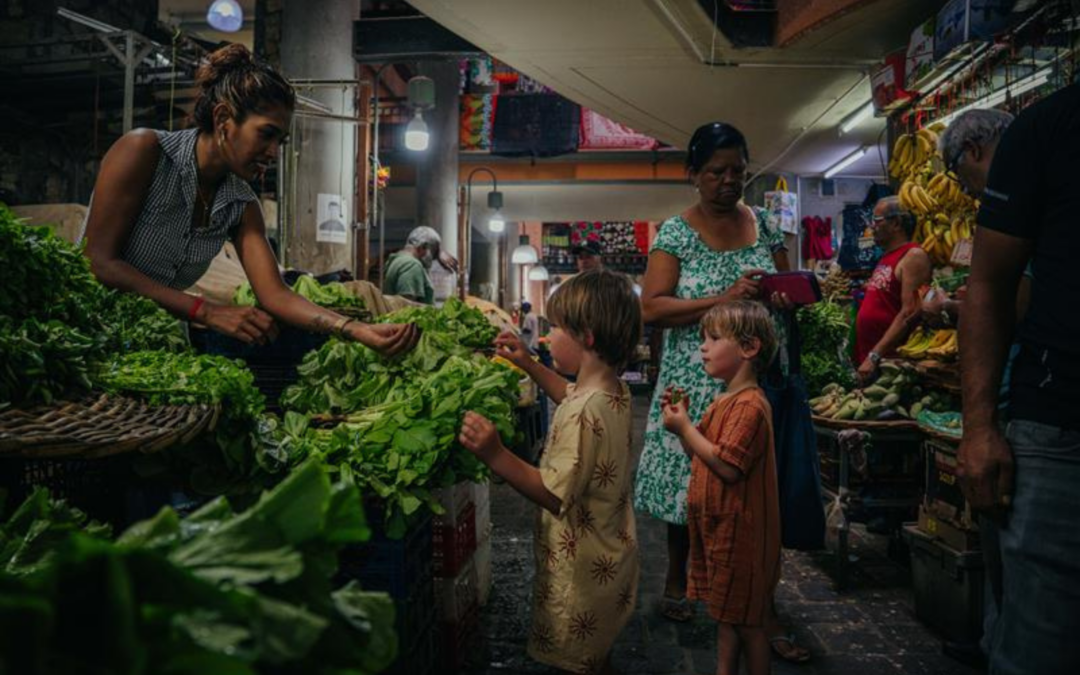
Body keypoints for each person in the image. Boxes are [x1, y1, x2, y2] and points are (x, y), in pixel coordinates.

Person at [81, 44, 417, 356]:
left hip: (152, 342)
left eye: (280, 141)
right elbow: (99, 262)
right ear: (224, 119)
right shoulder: (145, 152)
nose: (273, 152)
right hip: (84, 333)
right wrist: (206, 311)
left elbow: (275, 294)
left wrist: (355, 329)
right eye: (266, 134)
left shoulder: (241, 204)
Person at [635, 121, 805, 663]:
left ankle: (751, 592)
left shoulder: (766, 228)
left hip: (750, 377)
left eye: (737, 170)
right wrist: (721, 298)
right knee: (691, 482)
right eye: (716, 172)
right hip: (692, 369)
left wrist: (780, 301)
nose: (729, 181)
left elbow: (785, 288)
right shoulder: (675, 234)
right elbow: (653, 308)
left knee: (745, 488)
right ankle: (680, 577)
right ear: (693, 176)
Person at [459, 270, 641, 675]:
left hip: (579, 572)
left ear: (587, 336)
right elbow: (568, 393)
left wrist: (496, 453)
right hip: (609, 554)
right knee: (595, 657)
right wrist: (528, 363)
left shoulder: (583, 412)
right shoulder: (611, 390)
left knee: (576, 661)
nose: (546, 337)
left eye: (555, 327)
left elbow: (553, 492)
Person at [958, 83, 1080, 675]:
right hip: (1058, 425)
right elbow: (990, 285)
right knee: (1038, 642)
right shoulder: (1049, 128)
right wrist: (979, 426)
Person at [661, 301, 780, 675]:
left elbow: (727, 466)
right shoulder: (723, 398)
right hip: (720, 529)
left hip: (741, 535)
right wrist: (684, 424)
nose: (703, 347)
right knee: (728, 617)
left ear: (749, 348)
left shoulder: (750, 406)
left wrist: (686, 429)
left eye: (713, 338)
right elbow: (703, 454)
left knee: (748, 624)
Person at [853, 197, 931, 384]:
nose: (872, 226)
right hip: (872, 362)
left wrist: (874, 355)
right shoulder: (887, 256)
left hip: (890, 364)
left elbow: (909, 311)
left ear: (896, 223)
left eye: (877, 221)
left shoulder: (913, 256)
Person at [382, 225, 445, 304]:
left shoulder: (398, 260)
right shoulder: (411, 265)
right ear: (423, 246)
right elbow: (406, 307)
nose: (432, 258)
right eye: (433, 252)